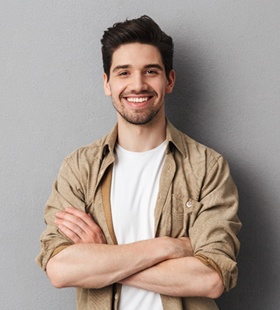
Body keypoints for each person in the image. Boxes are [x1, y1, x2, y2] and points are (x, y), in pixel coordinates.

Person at [36, 15, 241, 310]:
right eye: (123, 73)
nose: (138, 84)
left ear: (169, 80)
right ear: (107, 83)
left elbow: (210, 278)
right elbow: (60, 268)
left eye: (150, 71)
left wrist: (103, 258)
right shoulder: (80, 168)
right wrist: (168, 247)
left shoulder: (208, 167)